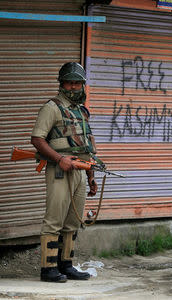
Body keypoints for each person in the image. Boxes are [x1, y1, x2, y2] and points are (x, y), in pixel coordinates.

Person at [31, 62, 98, 282]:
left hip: (79, 172)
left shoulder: (81, 111)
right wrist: (60, 159)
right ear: (62, 84)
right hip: (59, 171)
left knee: (72, 221)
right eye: (69, 82)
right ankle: (48, 268)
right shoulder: (52, 107)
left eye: (77, 83)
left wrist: (91, 176)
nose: (73, 87)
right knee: (54, 220)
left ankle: (66, 265)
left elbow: (86, 145)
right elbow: (37, 139)